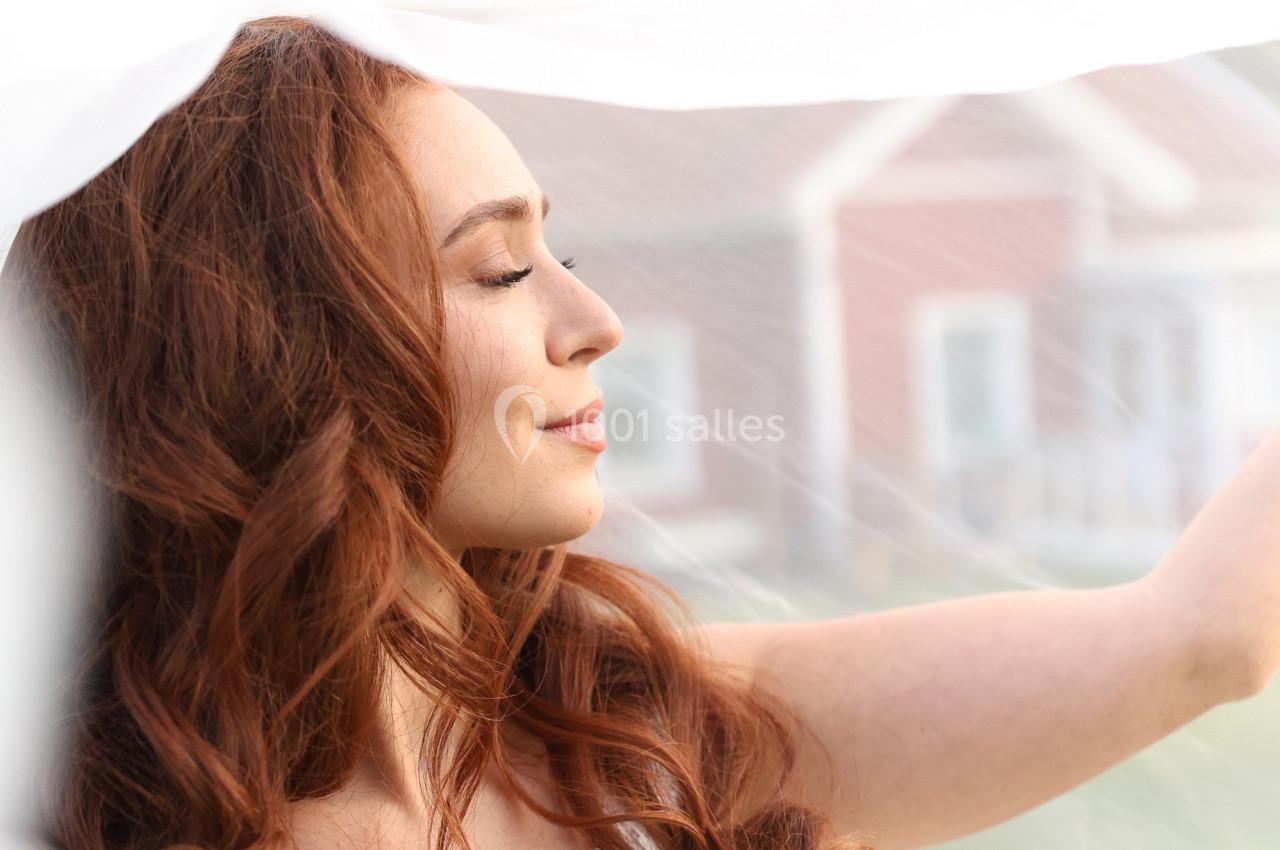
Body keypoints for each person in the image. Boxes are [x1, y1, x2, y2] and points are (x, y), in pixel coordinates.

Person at [7, 14, 1280, 850]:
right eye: (501, 271)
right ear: (278, 348)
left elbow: (1202, 636)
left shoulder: (650, 737)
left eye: (562, 249)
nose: (597, 319)